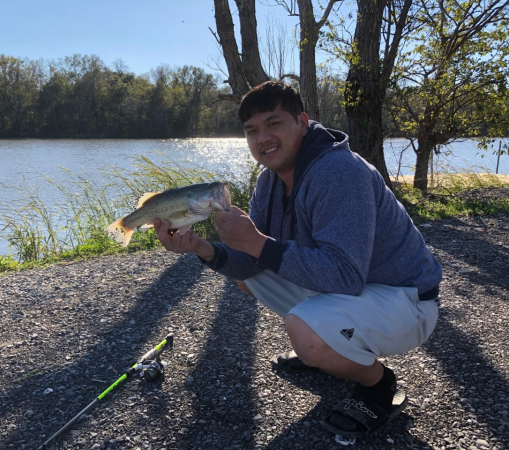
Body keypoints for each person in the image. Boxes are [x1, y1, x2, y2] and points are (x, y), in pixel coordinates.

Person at [153, 81, 442, 439]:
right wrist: (200, 246)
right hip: (362, 291)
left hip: (407, 301)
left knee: (306, 333)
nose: (263, 138)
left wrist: (257, 242)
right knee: (248, 278)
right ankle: (334, 351)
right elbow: (249, 263)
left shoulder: (339, 172)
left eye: (274, 124)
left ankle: (379, 385)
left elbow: (345, 276)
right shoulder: (268, 182)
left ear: (303, 121)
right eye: (252, 131)